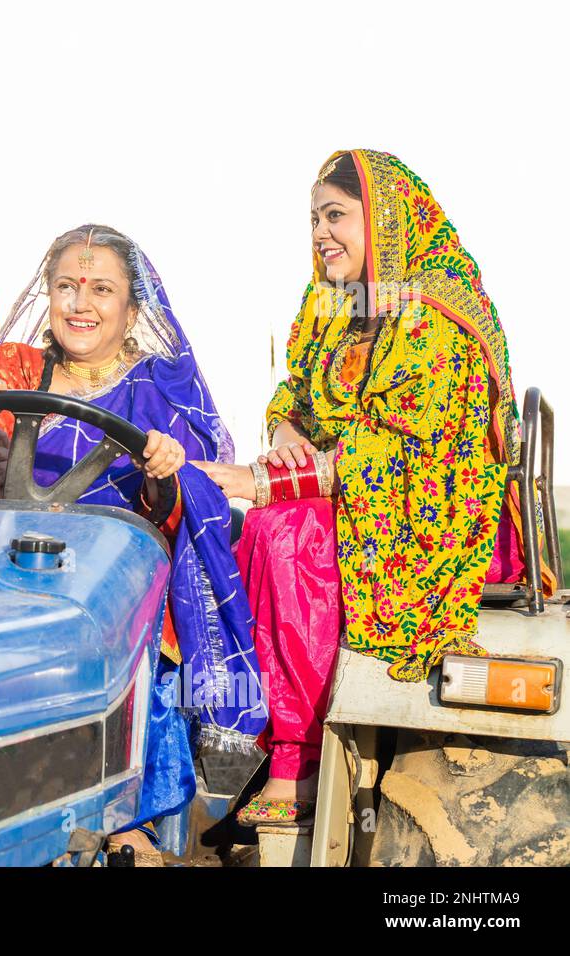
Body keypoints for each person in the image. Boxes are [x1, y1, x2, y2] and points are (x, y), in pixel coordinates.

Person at [192, 149, 546, 826]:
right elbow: (296, 391)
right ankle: (230, 736)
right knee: (218, 526)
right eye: (313, 219)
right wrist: (286, 431)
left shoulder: (433, 312)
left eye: (336, 215)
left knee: (283, 530)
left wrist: (264, 480)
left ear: (384, 220)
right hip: (351, 494)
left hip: (434, 517)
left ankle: (299, 758)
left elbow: (396, 451)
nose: (321, 233)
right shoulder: (332, 300)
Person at [0, 225, 266, 863]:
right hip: (10, 578)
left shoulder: (158, 391)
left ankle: (130, 829)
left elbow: (179, 510)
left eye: (100, 289)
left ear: (134, 310)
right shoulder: (9, 369)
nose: (79, 303)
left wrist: (167, 475)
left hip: (118, 586)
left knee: (143, 637)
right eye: (66, 286)